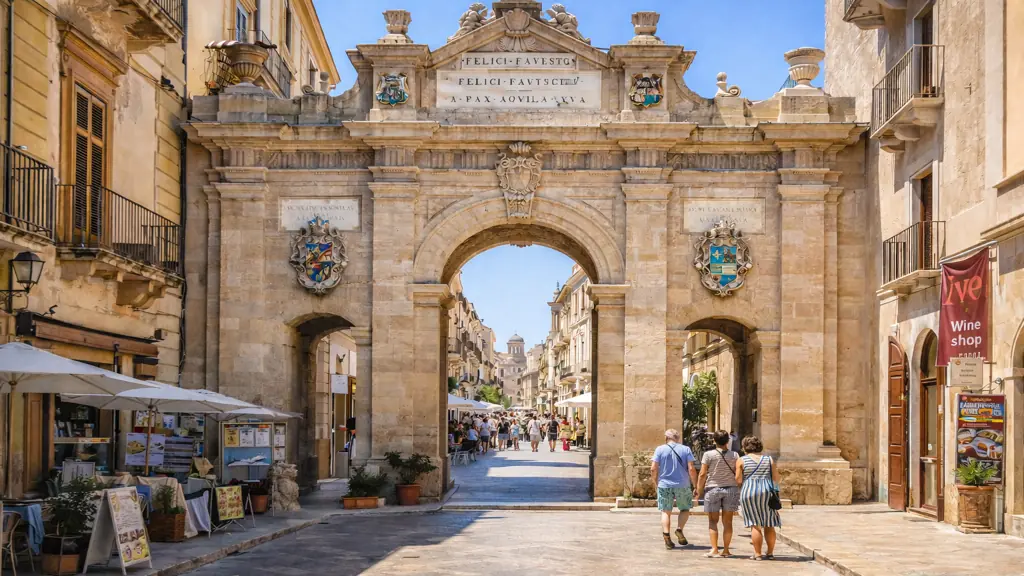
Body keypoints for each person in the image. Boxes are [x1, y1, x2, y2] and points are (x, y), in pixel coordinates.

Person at [735, 435, 782, 561]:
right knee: (769, 523)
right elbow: (776, 478)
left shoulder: (742, 460)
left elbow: (738, 480)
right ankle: (770, 553)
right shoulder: (768, 459)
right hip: (767, 491)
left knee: (754, 524)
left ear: (745, 447)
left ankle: (757, 554)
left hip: (749, 491)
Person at [696, 430, 741, 558]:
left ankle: (714, 549)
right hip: (731, 489)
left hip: (713, 489)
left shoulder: (708, 455)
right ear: (728, 441)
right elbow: (738, 473)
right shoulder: (735, 455)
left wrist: (699, 490)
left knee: (712, 521)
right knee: (728, 522)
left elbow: (703, 474)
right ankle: (726, 550)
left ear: (714, 441)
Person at [650, 429, 697, 550]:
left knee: (666, 511)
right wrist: (695, 485)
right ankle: (679, 529)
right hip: (683, 484)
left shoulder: (660, 449)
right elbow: (691, 469)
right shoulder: (685, 449)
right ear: (678, 438)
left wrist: (656, 482)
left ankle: (666, 534)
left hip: (664, 484)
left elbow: (653, 468)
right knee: (685, 508)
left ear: (666, 438)